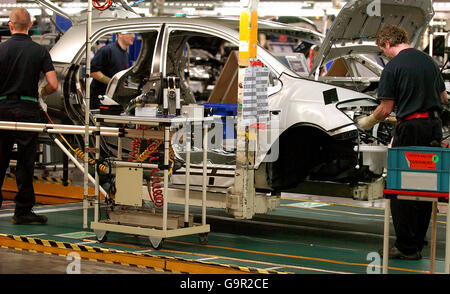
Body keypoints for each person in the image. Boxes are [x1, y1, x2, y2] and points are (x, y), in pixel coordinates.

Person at [357, 24, 448, 260]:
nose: (384, 54)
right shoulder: (429, 61)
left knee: (401, 187)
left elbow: (385, 109)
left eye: (382, 49)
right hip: (434, 128)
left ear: (387, 43)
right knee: (425, 185)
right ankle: (418, 239)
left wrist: (365, 123)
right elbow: (443, 97)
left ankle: (407, 247)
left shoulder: (393, 67)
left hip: (411, 130)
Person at [0, 8, 58, 224]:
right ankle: (23, 211)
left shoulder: (1, 50)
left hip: (2, 111)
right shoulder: (40, 51)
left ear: (10, 25)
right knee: (25, 162)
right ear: (31, 25)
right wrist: (41, 93)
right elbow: (53, 84)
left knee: (0, 159)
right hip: (28, 110)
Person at [89, 32, 135, 108]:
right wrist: (113, 83)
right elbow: (93, 72)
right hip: (99, 101)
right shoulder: (107, 50)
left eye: (133, 33)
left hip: (113, 101)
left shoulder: (126, 54)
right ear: (119, 34)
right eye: (129, 33)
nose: (133, 36)